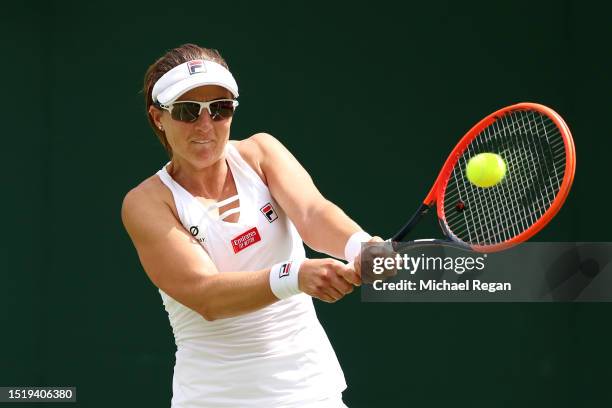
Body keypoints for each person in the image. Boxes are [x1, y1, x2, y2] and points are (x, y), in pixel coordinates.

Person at [121, 43, 381, 408]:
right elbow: (205, 295)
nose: (206, 126)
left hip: (311, 391)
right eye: (187, 111)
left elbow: (312, 212)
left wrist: (362, 246)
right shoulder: (147, 202)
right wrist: (295, 276)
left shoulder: (261, 153)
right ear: (157, 117)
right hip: (214, 400)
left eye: (220, 109)